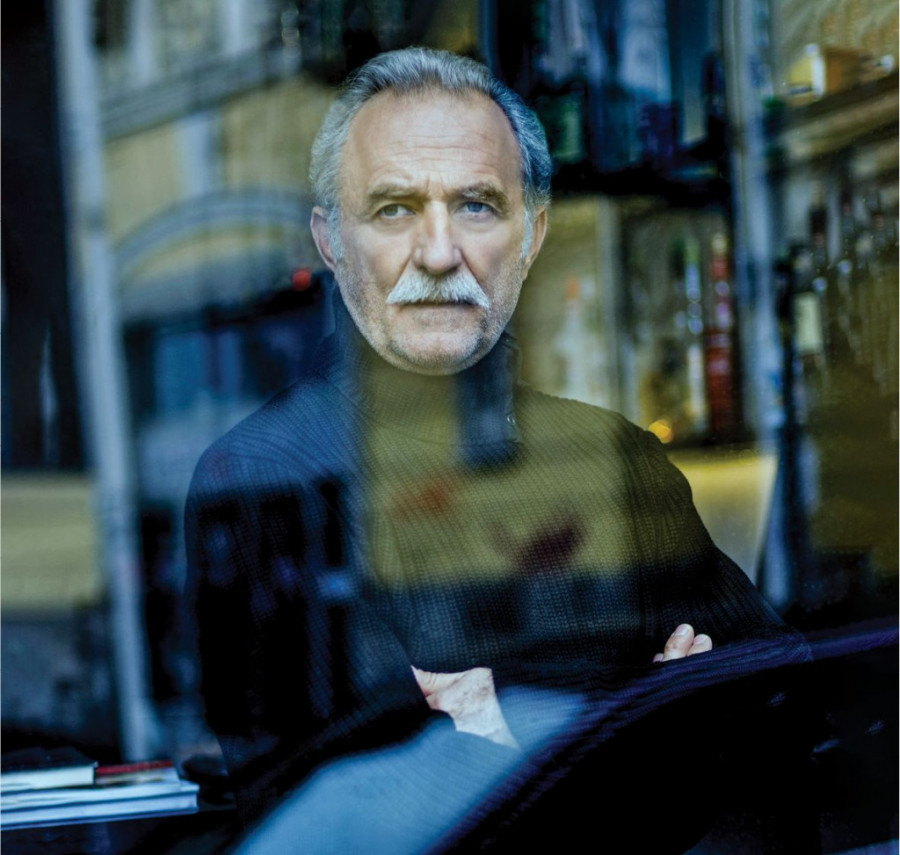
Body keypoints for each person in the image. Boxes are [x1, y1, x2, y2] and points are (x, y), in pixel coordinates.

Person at [185, 47, 811, 850]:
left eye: (477, 205)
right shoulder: (268, 478)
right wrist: (635, 736)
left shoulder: (614, 458)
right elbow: (337, 813)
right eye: (394, 209)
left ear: (532, 234)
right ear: (332, 242)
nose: (439, 252)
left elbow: (779, 704)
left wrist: (514, 738)